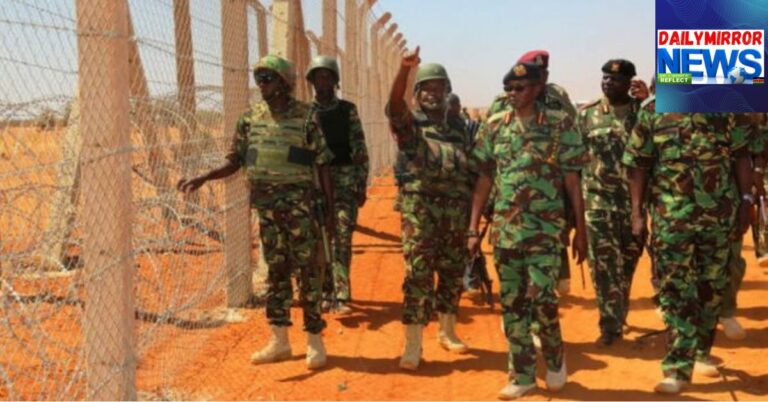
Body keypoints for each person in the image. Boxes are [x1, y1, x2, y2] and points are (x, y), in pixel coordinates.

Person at [177, 54, 334, 370]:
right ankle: (279, 341)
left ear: (285, 82)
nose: (261, 84)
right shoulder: (249, 119)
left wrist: (328, 211)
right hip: (267, 210)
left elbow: (323, 164)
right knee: (276, 274)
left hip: (300, 208)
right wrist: (205, 175)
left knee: (308, 274)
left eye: (268, 78)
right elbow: (235, 160)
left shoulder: (307, 117)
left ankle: (315, 341)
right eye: (259, 78)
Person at [468, 62, 588, 399]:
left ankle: (554, 358)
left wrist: (581, 229)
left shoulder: (557, 124)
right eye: (508, 89)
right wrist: (472, 228)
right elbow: (484, 179)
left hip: (545, 232)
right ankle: (521, 375)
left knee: (543, 302)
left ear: (537, 89)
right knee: (513, 305)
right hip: (506, 232)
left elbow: (572, 180)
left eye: (519, 89)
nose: (512, 95)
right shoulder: (494, 127)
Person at [623, 103, 753, 394]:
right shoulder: (653, 110)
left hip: (719, 217)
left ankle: (701, 351)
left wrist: (746, 200)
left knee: (712, 288)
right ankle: (677, 368)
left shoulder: (727, 107)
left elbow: (742, 155)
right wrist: (636, 212)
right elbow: (638, 163)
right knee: (677, 290)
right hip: (672, 219)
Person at [386, 47, 475, 370]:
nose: (433, 94)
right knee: (418, 276)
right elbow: (394, 106)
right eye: (427, 88)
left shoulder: (460, 129)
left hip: (455, 215)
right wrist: (404, 71)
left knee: (452, 274)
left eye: (439, 88)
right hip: (420, 214)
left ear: (447, 91)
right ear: (418, 94)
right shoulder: (411, 126)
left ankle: (447, 331)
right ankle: (413, 344)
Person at [486, 50, 576, 294]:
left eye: (544, 72)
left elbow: (572, 133)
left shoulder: (558, 97)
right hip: (511, 195)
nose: (543, 76)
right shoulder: (503, 101)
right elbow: (490, 151)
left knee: (554, 231)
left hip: (550, 186)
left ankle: (556, 276)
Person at [576, 59, 644, 346]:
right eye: (605, 78)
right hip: (597, 203)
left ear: (629, 83)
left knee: (627, 264)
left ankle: (619, 312)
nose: (608, 83)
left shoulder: (643, 113)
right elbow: (575, 160)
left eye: (615, 79)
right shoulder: (588, 116)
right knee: (604, 267)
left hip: (633, 205)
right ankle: (610, 325)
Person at [305, 55, 369, 315]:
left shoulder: (347, 110)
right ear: (311, 81)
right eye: (318, 76)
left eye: (327, 76)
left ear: (334, 80)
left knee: (341, 236)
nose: (323, 81)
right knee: (319, 237)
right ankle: (323, 291)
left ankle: (341, 294)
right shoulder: (304, 114)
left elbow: (359, 149)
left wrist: (361, 183)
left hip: (344, 180)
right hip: (315, 182)